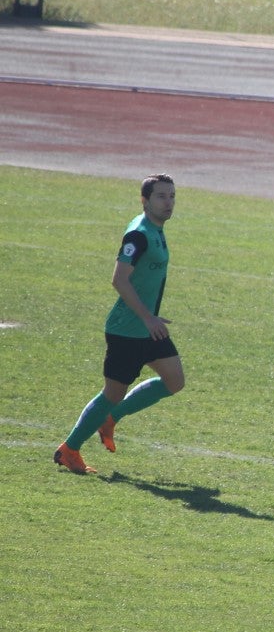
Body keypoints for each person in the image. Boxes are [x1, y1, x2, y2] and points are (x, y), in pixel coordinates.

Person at [54, 173, 186, 475]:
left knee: (175, 381)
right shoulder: (138, 234)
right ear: (145, 201)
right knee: (111, 394)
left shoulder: (156, 229)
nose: (168, 202)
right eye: (161, 197)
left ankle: (112, 418)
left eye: (172, 196)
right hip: (127, 330)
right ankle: (69, 449)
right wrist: (147, 316)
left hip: (148, 326)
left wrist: (151, 316)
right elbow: (119, 279)